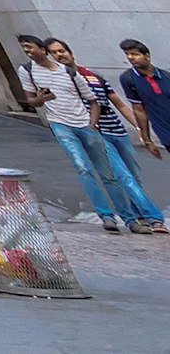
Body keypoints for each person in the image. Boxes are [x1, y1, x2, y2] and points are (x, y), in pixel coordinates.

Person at [23, 37, 165, 235]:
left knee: (132, 177)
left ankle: (137, 216)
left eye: (62, 51)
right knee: (121, 176)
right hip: (98, 133)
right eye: (54, 52)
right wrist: (90, 126)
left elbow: (119, 104)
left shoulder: (89, 75)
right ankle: (153, 218)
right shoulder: (56, 76)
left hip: (117, 131)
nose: (59, 55)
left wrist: (140, 130)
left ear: (70, 52)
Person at [116, 40, 169, 153]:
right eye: (127, 54)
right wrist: (148, 141)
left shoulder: (166, 76)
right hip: (165, 133)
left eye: (135, 54)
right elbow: (138, 110)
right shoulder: (128, 79)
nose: (130, 57)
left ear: (147, 56)